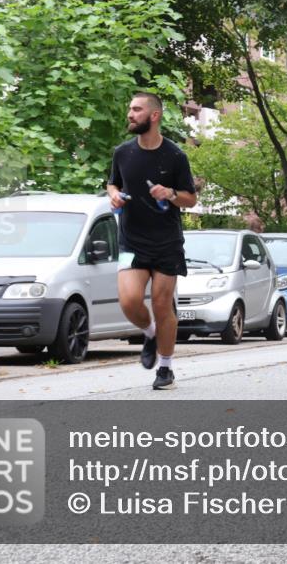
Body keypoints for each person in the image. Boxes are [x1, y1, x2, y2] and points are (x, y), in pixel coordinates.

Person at [108, 92, 197, 389]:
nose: (130, 114)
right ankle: (149, 333)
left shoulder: (175, 156)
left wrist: (170, 194)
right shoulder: (122, 153)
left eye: (136, 109)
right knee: (129, 301)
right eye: (129, 109)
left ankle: (166, 368)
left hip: (166, 243)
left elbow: (191, 199)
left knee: (162, 304)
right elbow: (112, 183)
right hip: (130, 242)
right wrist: (114, 196)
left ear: (154, 116)